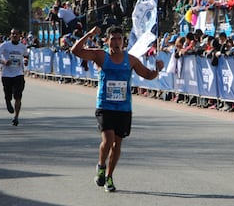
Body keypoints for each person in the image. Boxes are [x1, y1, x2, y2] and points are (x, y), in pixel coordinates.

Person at [70, 25, 164, 192]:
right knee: (108, 139)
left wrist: (157, 69)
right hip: (105, 105)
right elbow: (75, 50)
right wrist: (90, 34)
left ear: (123, 41)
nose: (116, 42)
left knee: (117, 143)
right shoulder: (100, 55)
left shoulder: (131, 60)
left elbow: (148, 75)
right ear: (107, 41)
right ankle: (100, 165)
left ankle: (109, 176)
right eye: (112, 39)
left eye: (119, 39)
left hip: (124, 108)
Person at [0, 28, 29, 126]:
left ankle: (16, 117)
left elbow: (26, 56)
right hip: (6, 75)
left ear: (19, 36)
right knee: (8, 95)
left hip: (18, 74)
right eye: (12, 34)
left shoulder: (22, 46)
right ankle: (7, 102)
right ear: (10, 35)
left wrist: (25, 61)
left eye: (16, 34)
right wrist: (4, 62)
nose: (14, 36)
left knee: (18, 96)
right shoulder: (5, 45)